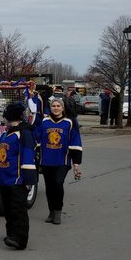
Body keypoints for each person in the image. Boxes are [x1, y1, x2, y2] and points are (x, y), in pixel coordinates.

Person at [0, 101, 36, 250]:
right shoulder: (5, 134)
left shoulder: (24, 134)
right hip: (4, 179)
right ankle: (11, 234)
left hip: (17, 180)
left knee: (18, 210)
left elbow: (28, 156)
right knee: (8, 209)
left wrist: (29, 180)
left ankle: (20, 239)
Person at [38, 96, 83, 224]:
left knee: (58, 183)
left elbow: (75, 142)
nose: (56, 108)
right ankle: (51, 211)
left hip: (62, 161)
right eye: (53, 106)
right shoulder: (44, 122)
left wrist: (76, 163)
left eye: (58, 106)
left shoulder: (69, 123)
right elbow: (36, 137)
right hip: (46, 161)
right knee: (49, 187)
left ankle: (58, 211)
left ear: (62, 108)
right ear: (50, 108)